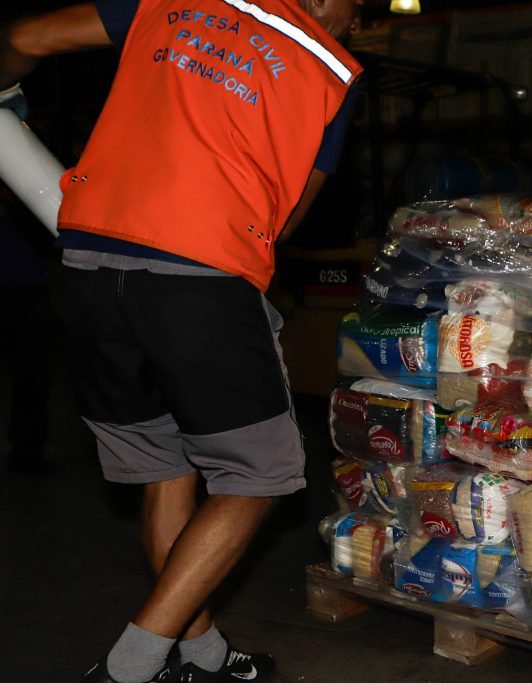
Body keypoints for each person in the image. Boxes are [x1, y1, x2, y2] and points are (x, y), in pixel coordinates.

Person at [0, 0, 364, 681]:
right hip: (197, 274)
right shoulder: (328, 68)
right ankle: (128, 668)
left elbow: (25, 35)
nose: (357, 18)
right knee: (260, 475)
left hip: (86, 266)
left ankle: (202, 655)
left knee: (166, 471)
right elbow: (284, 217)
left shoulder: (176, 2)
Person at [0, 189, 54, 474]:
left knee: (29, 378)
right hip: (24, 293)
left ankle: (27, 452)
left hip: (27, 291)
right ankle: (26, 453)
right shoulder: (26, 203)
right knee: (29, 377)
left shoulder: (28, 201)